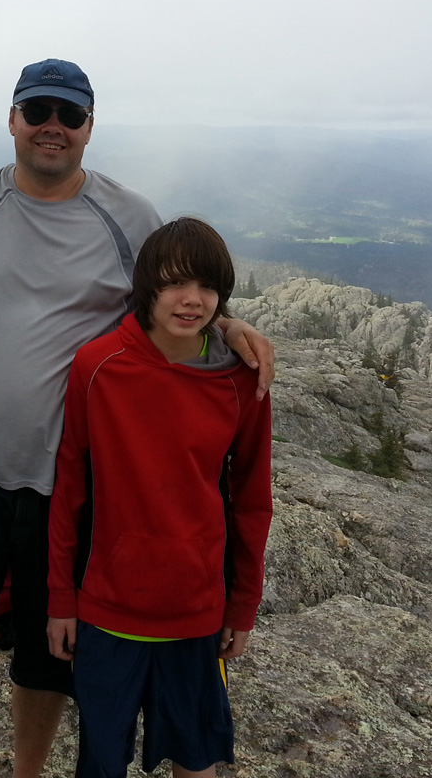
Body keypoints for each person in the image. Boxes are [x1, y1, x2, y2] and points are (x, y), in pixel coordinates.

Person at [0, 58, 274, 778]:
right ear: (12, 119)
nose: (53, 127)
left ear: (89, 128)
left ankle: (26, 773)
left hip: (64, 487)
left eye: (69, 116)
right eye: (38, 111)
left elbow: (180, 283)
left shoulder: (127, 215)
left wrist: (227, 326)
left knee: (48, 658)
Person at [46, 216, 273, 778]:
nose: (190, 300)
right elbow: (69, 487)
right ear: (147, 286)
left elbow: (251, 497)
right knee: (101, 761)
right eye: (174, 283)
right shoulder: (97, 366)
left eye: (206, 288)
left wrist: (242, 605)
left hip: (196, 610)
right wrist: (61, 601)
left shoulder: (241, 380)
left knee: (196, 757)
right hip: (107, 609)